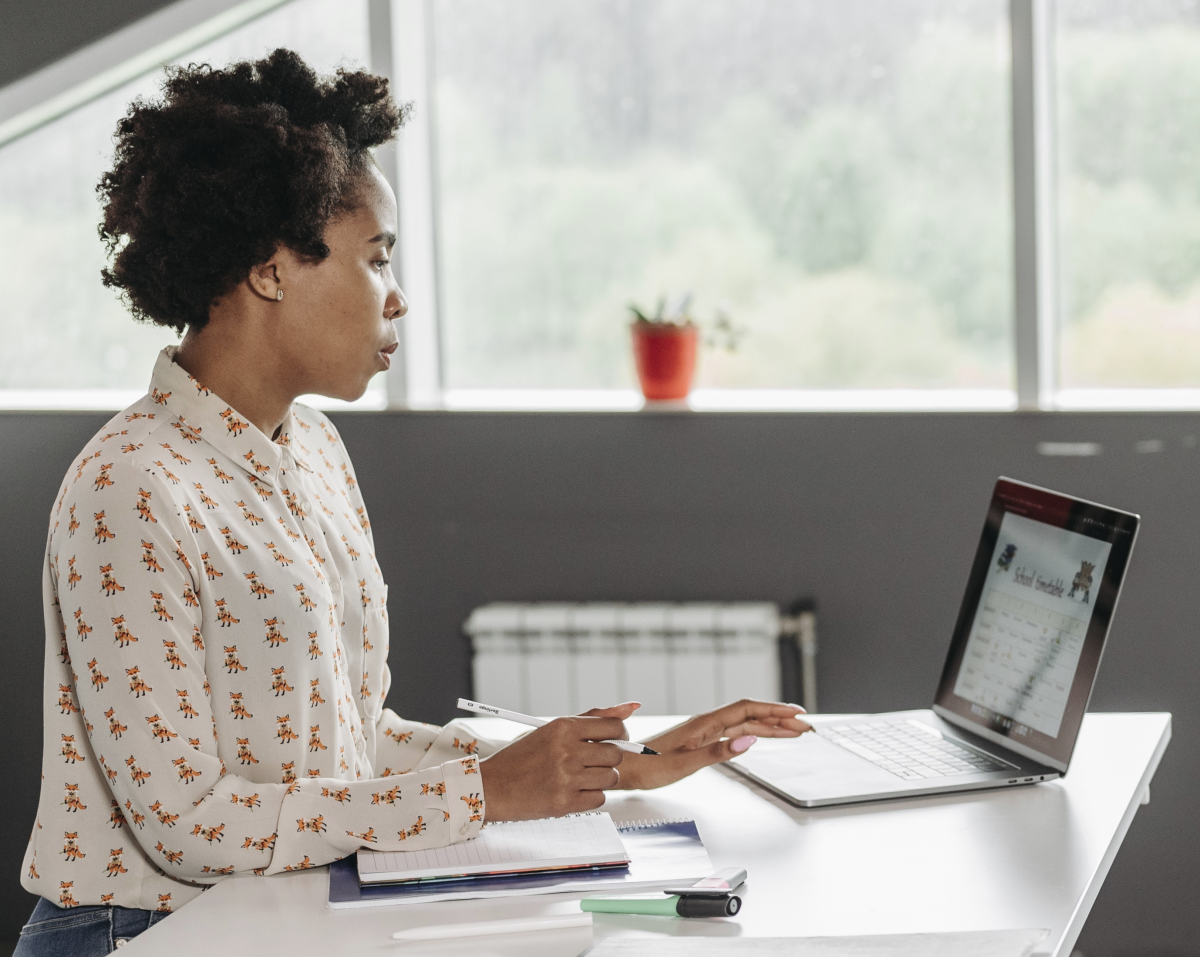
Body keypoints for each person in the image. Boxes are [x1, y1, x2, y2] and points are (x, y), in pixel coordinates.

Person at [14, 49, 810, 956]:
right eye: (376, 258)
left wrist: (607, 766)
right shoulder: (128, 488)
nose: (398, 300)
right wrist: (484, 793)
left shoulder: (310, 447)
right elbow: (188, 825)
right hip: (139, 934)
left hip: (276, 916)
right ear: (273, 268)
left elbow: (351, 745)